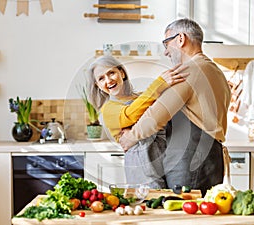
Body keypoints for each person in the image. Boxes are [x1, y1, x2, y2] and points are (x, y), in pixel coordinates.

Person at [119, 18, 231, 196]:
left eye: (166, 43)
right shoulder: (214, 70)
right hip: (211, 158)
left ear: (181, 39)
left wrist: (130, 137)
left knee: (182, 218)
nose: (165, 52)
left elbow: (156, 115)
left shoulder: (190, 70)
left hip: (190, 159)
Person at [87, 55, 189, 188]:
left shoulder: (141, 97)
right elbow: (131, 114)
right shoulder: (108, 109)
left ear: (121, 73)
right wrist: (159, 84)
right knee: (150, 201)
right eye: (101, 78)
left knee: (168, 201)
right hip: (142, 164)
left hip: (164, 155)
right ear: (98, 85)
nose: (108, 80)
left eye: (111, 73)